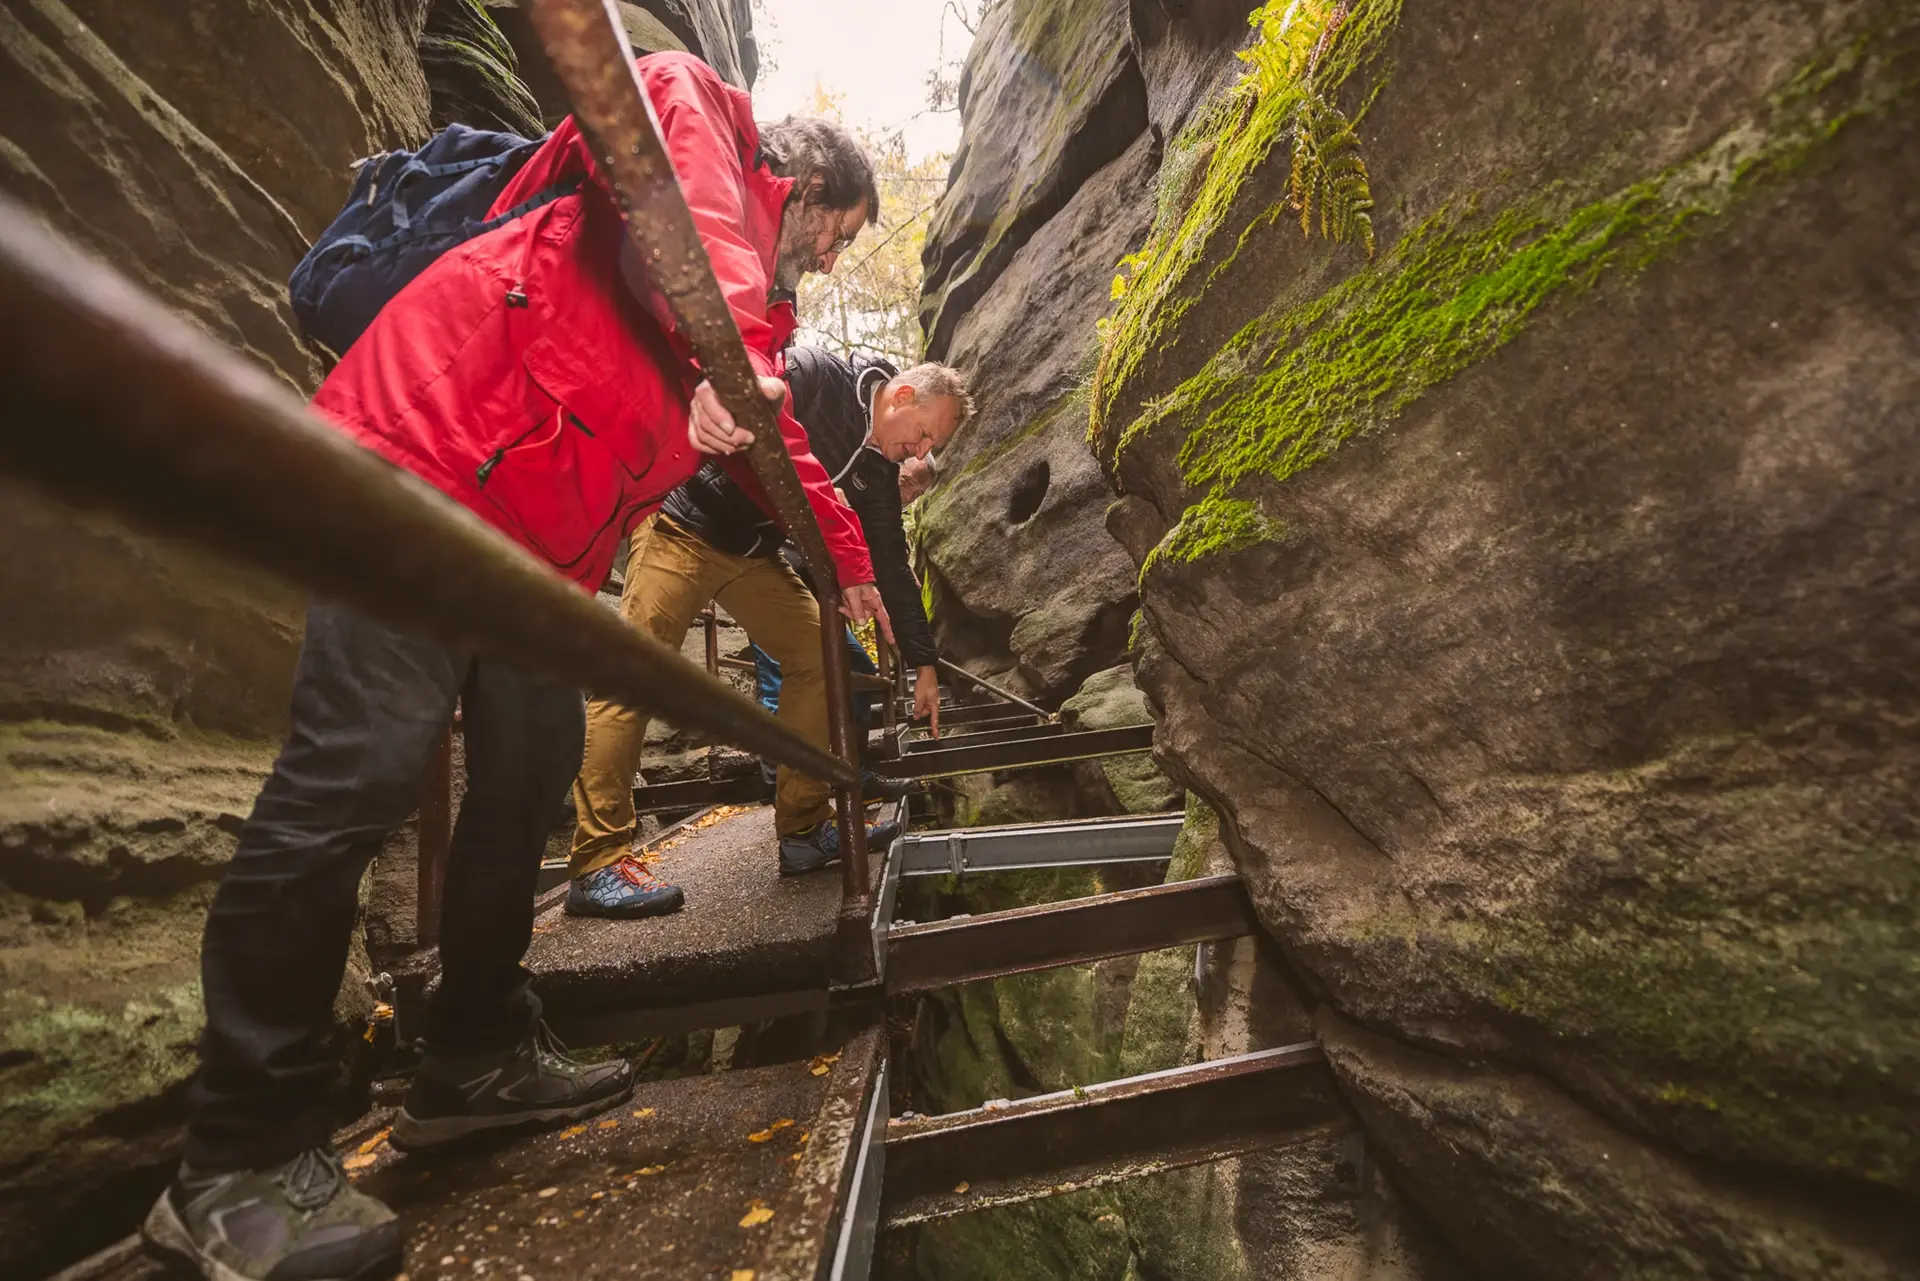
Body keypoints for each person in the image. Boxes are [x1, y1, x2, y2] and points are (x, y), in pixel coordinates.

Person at [144, 52, 884, 1281]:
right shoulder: (698, 112)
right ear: (805, 185)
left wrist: (847, 564)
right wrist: (726, 347)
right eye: (842, 234)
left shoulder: (753, 311)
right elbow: (678, 202)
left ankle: (474, 1051)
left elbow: (777, 445)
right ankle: (237, 1157)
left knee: (532, 776)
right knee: (357, 777)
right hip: (421, 465)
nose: (835, 259)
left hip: (538, 547)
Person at [568, 350, 972, 914]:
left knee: (818, 655)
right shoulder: (819, 376)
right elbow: (749, 399)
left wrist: (924, 661)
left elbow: (890, 561)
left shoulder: (879, 468)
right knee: (634, 673)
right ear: (902, 397)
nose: (921, 452)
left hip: (753, 552)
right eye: (924, 435)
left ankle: (805, 828)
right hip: (682, 524)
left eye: (932, 447)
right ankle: (598, 861)